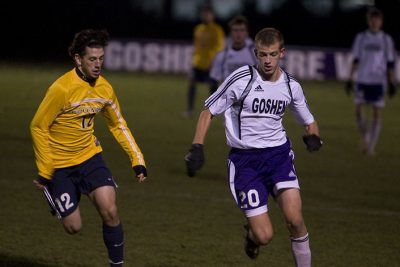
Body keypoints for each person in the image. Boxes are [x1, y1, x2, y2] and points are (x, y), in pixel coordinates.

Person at [185, 27, 322, 266]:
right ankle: (252, 235)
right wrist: (197, 146)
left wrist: (313, 137)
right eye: (262, 55)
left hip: (279, 157)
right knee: (264, 235)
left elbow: (309, 121)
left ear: (282, 53)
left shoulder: (291, 86)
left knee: (295, 220)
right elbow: (209, 111)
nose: (267, 60)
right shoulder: (242, 79)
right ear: (255, 54)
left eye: (272, 54)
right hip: (245, 162)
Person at [30, 29, 147, 267]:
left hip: (89, 158)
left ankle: (117, 265)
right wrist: (46, 168)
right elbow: (38, 126)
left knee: (110, 210)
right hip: (59, 165)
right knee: (74, 227)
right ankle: (51, 191)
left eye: (101, 58)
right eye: (92, 59)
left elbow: (118, 125)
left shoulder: (105, 89)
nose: (98, 64)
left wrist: (137, 159)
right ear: (78, 59)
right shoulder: (61, 89)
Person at [345, 7, 397, 155]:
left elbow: (390, 62)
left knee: (376, 112)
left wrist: (392, 81)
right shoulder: (361, 38)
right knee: (358, 109)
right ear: (369, 21)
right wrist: (350, 78)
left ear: (381, 22)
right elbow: (355, 59)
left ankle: (371, 146)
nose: (374, 23)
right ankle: (366, 136)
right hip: (362, 79)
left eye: (377, 20)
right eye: (372, 20)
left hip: (378, 81)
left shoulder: (386, 40)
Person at [183, 6, 225, 118]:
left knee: (213, 87)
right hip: (198, 63)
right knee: (191, 82)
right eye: (204, 14)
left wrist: (215, 62)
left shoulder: (217, 30)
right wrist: (193, 59)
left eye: (208, 14)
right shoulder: (198, 29)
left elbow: (220, 47)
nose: (206, 16)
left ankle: (214, 111)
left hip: (211, 64)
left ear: (212, 16)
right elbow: (196, 46)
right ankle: (190, 110)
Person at [209, 15, 257, 84]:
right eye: (235, 30)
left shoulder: (255, 54)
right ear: (230, 33)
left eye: (242, 30)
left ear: (247, 33)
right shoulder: (222, 55)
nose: (238, 34)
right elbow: (215, 80)